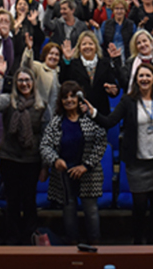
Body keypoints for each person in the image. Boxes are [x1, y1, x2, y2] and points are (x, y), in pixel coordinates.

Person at [89, 62, 153, 245]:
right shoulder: (128, 101)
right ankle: (137, 243)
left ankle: (152, 242)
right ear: (136, 79)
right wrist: (93, 112)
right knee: (140, 206)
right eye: (141, 76)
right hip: (138, 161)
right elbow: (110, 121)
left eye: (148, 76)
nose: (144, 79)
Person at [0, 61, 50, 244]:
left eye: (27, 80)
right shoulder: (8, 101)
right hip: (9, 158)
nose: (24, 83)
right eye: (20, 80)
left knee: (29, 201)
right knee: (12, 201)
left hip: (32, 160)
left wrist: (45, 166)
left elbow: (47, 137)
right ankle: (13, 237)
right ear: (15, 83)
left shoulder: (42, 105)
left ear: (33, 82)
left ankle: (30, 236)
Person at [40, 81, 106, 245]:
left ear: (79, 99)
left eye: (72, 97)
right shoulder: (56, 122)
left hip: (88, 172)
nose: (69, 100)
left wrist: (86, 166)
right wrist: (55, 160)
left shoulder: (90, 119)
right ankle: (72, 244)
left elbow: (101, 142)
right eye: (65, 97)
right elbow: (45, 145)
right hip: (64, 173)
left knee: (91, 211)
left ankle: (95, 243)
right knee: (68, 209)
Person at [58, 31, 119, 115]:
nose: (87, 47)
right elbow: (62, 81)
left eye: (90, 44)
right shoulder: (73, 64)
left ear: (96, 47)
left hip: (101, 113)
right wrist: (67, 61)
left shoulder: (105, 63)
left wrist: (113, 90)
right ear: (79, 47)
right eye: (84, 44)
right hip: (79, 112)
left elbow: (113, 86)